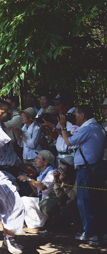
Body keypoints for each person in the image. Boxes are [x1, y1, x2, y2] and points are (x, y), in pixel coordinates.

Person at [0, 100, 36, 254]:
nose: (12, 116)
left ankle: (9, 240)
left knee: (8, 207)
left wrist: (23, 166)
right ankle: (10, 239)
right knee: (15, 204)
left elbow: (9, 153)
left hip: (5, 171)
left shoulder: (0, 126)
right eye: (9, 113)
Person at [59, 105, 106, 246]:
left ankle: (90, 234)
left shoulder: (88, 129)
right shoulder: (97, 128)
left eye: (75, 114)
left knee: (85, 202)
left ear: (82, 115)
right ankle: (101, 233)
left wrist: (62, 126)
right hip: (95, 170)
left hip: (85, 170)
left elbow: (68, 142)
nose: (73, 117)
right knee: (97, 202)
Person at [18, 150, 55, 233]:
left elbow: (42, 187)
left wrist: (28, 179)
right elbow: (37, 192)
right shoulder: (42, 173)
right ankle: (39, 224)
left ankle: (36, 226)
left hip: (49, 205)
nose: (35, 160)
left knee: (24, 200)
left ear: (45, 162)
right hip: (42, 202)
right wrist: (29, 179)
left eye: (38, 158)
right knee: (24, 199)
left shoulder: (51, 173)